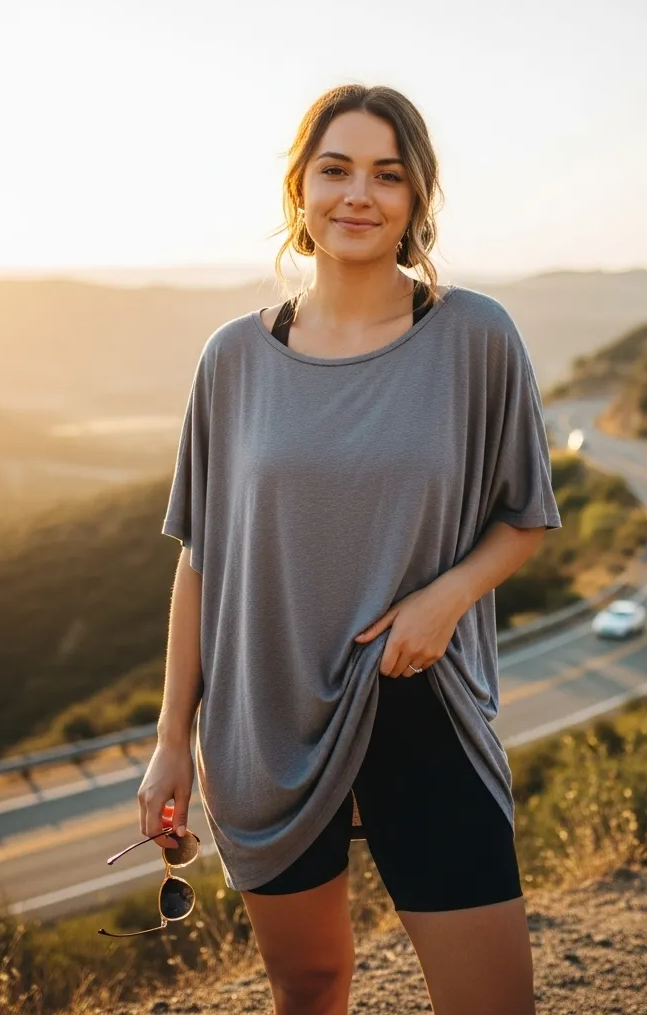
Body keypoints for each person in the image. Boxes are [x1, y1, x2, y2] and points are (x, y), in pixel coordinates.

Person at [138, 84, 561, 1015]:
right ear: (300, 188)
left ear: (417, 198)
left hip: (423, 699)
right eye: (336, 170)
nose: (358, 195)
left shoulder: (475, 337)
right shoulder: (233, 359)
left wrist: (446, 598)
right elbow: (202, 560)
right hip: (264, 722)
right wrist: (170, 741)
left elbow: (526, 516)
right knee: (311, 986)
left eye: (387, 175)